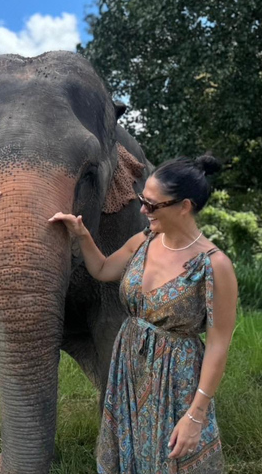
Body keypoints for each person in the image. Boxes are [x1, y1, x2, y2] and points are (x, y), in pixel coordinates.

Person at [49, 154, 237, 473]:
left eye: (152, 204)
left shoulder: (215, 266)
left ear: (185, 206)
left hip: (177, 376)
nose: (142, 210)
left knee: (173, 457)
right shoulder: (143, 242)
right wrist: (81, 236)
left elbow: (219, 344)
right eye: (142, 200)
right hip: (130, 363)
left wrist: (196, 414)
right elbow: (103, 269)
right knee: (130, 447)